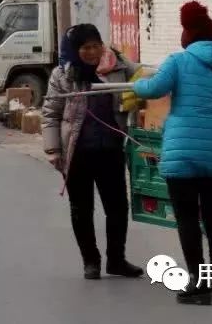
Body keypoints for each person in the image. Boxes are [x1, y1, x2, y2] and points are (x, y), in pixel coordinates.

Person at [131, 1, 212, 305]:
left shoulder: (177, 61)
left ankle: (197, 283)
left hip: (182, 154)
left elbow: (153, 90)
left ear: (186, 36)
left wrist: (137, 86)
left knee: (188, 219)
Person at [41, 23, 144, 281]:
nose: (91, 52)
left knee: (118, 207)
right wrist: (53, 150)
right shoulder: (63, 76)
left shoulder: (118, 66)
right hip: (77, 152)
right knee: (81, 209)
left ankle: (116, 260)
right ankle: (91, 261)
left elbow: (146, 75)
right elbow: (51, 114)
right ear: (75, 50)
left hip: (111, 149)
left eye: (95, 46)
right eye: (85, 48)